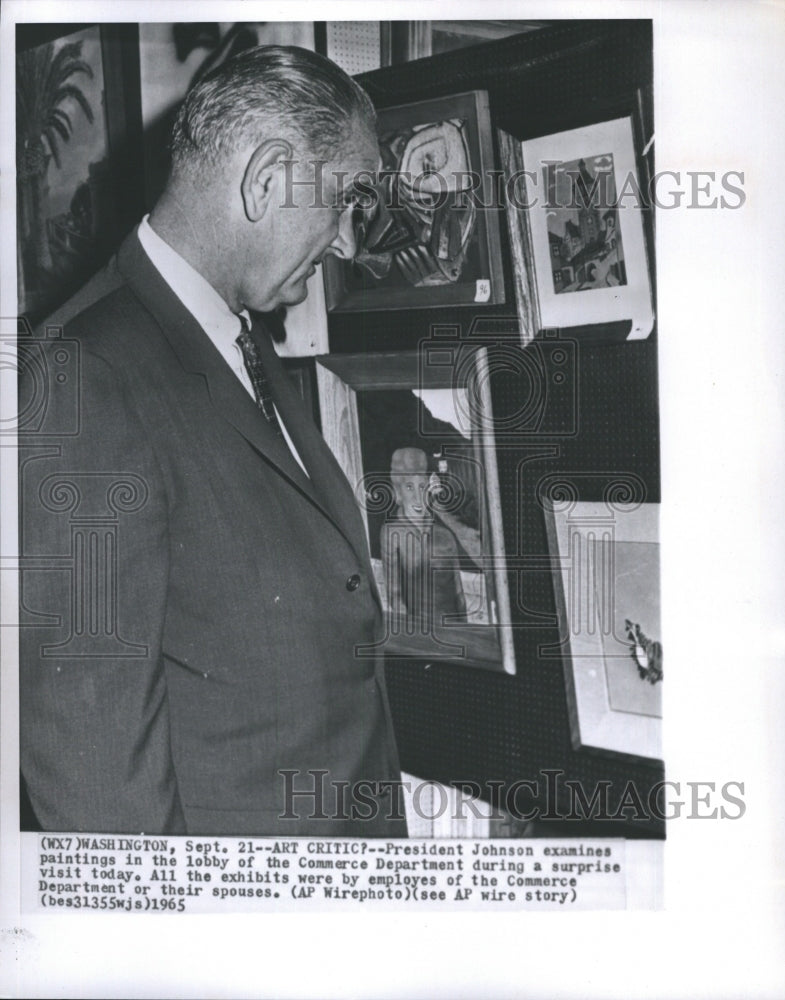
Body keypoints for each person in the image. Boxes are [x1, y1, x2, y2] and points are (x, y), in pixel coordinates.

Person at [19, 46, 406, 837]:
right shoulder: (84, 377)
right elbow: (96, 775)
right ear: (265, 180)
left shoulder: (240, 340)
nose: (345, 243)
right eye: (342, 202)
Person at [380, 447, 468, 628]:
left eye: (422, 486)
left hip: (453, 634)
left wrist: (465, 634)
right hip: (419, 635)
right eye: (409, 487)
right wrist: (412, 638)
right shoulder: (392, 533)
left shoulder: (445, 536)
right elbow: (395, 595)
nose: (417, 496)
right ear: (398, 493)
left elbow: (459, 594)